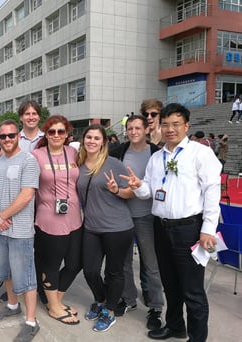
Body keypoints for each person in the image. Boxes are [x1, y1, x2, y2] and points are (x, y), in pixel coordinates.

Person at [121, 103, 221, 341]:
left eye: (175, 124)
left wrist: (208, 229)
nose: (170, 129)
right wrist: (139, 186)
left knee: (192, 290)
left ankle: (197, 337)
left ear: (186, 125)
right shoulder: (157, 157)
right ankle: (175, 326)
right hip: (161, 227)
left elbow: (212, 191)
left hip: (189, 229)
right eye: (165, 124)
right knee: (170, 284)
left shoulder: (200, 153)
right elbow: (150, 191)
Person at [0, 119, 41, 342]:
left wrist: (2, 216)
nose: (7, 140)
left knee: (26, 276)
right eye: (3, 136)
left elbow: (27, 195)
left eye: (11, 135)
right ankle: (12, 305)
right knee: (5, 271)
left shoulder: (29, 161)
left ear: (18, 136)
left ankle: (31, 321)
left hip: (19, 230)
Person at [76, 124, 134, 332]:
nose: (92, 141)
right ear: (83, 140)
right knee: (90, 270)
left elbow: (130, 193)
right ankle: (100, 300)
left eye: (96, 138)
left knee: (114, 272)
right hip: (91, 226)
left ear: (104, 142)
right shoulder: (79, 164)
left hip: (117, 227)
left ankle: (109, 311)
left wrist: (117, 189)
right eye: (88, 137)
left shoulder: (114, 164)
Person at [110, 115, 164, 330]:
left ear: (145, 130)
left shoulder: (155, 153)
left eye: (137, 128)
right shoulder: (120, 152)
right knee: (123, 262)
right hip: (122, 215)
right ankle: (128, 299)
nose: (133, 132)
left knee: (150, 264)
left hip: (146, 216)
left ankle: (156, 306)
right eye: (130, 128)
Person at [31, 115, 82, 325]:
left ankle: (55, 300)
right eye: (52, 132)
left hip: (74, 217)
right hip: (48, 217)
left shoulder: (73, 152)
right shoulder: (36, 155)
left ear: (67, 134)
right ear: (46, 134)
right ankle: (53, 307)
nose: (56, 135)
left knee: (75, 263)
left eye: (61, 131)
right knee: (50, 264)